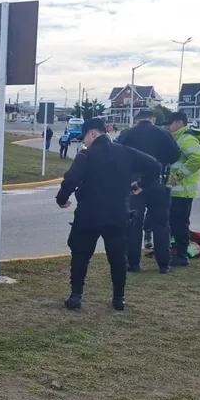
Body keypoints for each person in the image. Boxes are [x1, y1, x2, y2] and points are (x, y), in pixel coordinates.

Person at [55, 118, 162, 311]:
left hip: (88, 215)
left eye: (85, 138)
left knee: (80, 255)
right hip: (117, 215)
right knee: (118, 258)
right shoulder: (125, 152)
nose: (84, 142)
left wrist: (62, 199)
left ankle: (76, 296)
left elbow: (71, 180)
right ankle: (118, 299)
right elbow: (155, 166)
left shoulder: (85, 156)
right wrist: (141, 185)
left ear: (93, 133)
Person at [116, 109, 182, 274]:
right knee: (161, 223)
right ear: (153, 119)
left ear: (136, 119)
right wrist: (162, 161)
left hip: (133, 183)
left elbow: (117, 155)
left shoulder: (127, 134)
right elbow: (176, 154)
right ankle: (164, 264)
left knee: (134, 223)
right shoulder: (164, 134)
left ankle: (134, 263)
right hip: (158, 182)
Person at [166, 111, 200, 268]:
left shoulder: (186, 139)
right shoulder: (179, 138)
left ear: (179, 123)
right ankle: (176, 252)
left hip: (183, 190)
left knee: (180, 223)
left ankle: (181, 256)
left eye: (170, 124)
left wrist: (179, 175)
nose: (168, 127)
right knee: (176, 222)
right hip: (178, 190)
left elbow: (198, 158)